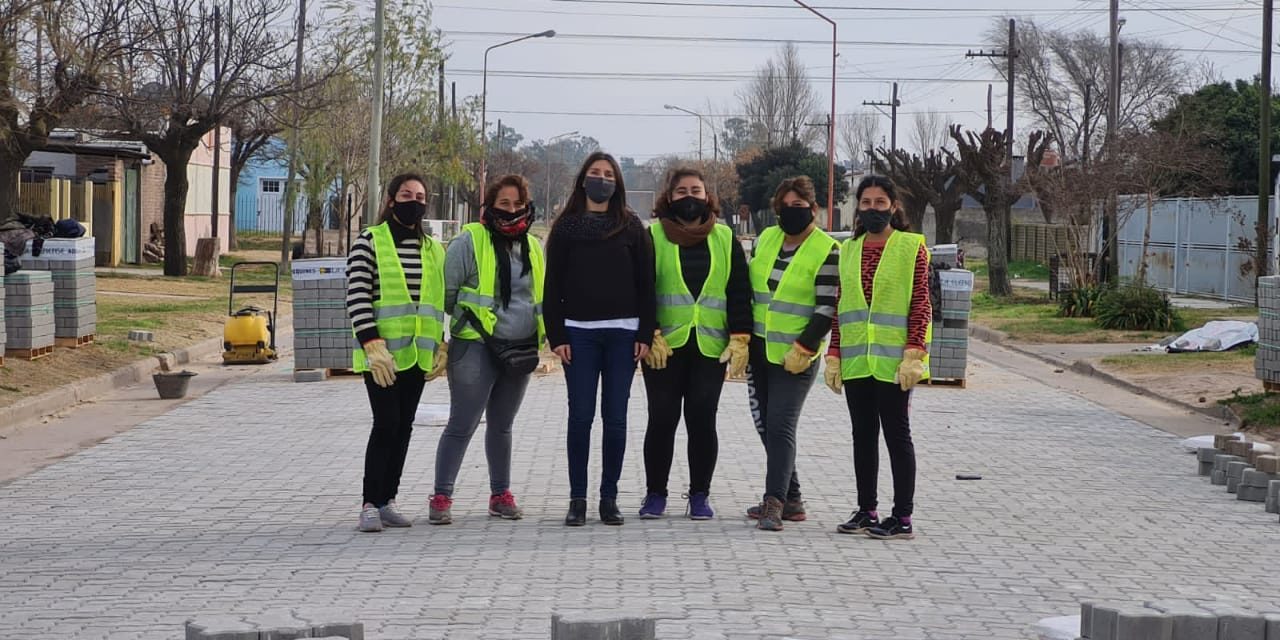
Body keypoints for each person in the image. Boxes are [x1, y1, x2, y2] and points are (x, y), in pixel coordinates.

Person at [544, 151, 655, 527]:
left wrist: (645, 332)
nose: (602, 179)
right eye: (595, 173)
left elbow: (646, 285)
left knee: (616, 419)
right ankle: (578, 499)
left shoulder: (632, 226)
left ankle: (609, 498)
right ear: (583, 180)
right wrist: (556, 335)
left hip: (624, 336)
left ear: (617, 183)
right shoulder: (566, 228)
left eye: (608, 174)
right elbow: (552, 286)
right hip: (578, 335)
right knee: (580, 418)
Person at [428, 174, 544, 525]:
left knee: (502, 425)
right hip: (475, 346)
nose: (511, 211)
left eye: (517, 205)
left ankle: (500, 494)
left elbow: (541, 294)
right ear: (490, 206)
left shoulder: (534, 246)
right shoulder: (469, 240)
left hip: (520, 348)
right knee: (463, 422)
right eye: (503, 204)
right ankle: (442, 496)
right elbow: (447, 294)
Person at [638, 167, 753, 520]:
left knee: (703, 420)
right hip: (664, 346)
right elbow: (640, 287)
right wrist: (649, 332)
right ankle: (655, 493)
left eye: (696, 190)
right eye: (682, 191)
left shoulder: (723, 237)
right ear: (669, 198)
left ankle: (700, 494)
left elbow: (737, 290)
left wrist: (740, 336)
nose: (689, 197)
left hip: (709, 346)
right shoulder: (653, 236)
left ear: (707, 196)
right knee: (662, 419)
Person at [824, 175, 931, 541]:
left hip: (894, 362)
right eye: (866, 202)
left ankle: (902, 517)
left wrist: (914, 353)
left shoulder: (910, 246)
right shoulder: (849, 250)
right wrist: (834, 352)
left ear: (894, 206)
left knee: (897, 436)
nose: (872, 209)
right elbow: (842, 307)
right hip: (857, 361)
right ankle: (867, 509)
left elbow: (920, 304)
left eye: (880, 202)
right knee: (863, 436)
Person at [347, 173, 448, 533]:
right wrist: (371, 344)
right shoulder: (369, 242)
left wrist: (443, 344)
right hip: (382, 358)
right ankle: (370, 503)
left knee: (403, 426)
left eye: (420, 196)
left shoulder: (434, 249)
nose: (414, 201)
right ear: (391, 200)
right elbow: (357, 296)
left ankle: (389, 499)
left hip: (417, 357)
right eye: (407, 194)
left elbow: (440, 301)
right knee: (386, 424)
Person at [745, 176, 839, 532]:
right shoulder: (766, 239)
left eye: (799, 206)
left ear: (813, 209)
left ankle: (774, 502)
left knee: (781, 423)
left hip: (797, 354)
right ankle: (793, 498)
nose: (791, 212)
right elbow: (752, 291)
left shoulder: (827, 248)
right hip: (759, 348)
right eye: (785, 206)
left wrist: (806, 346)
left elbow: (827, 306)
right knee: (765, 424)